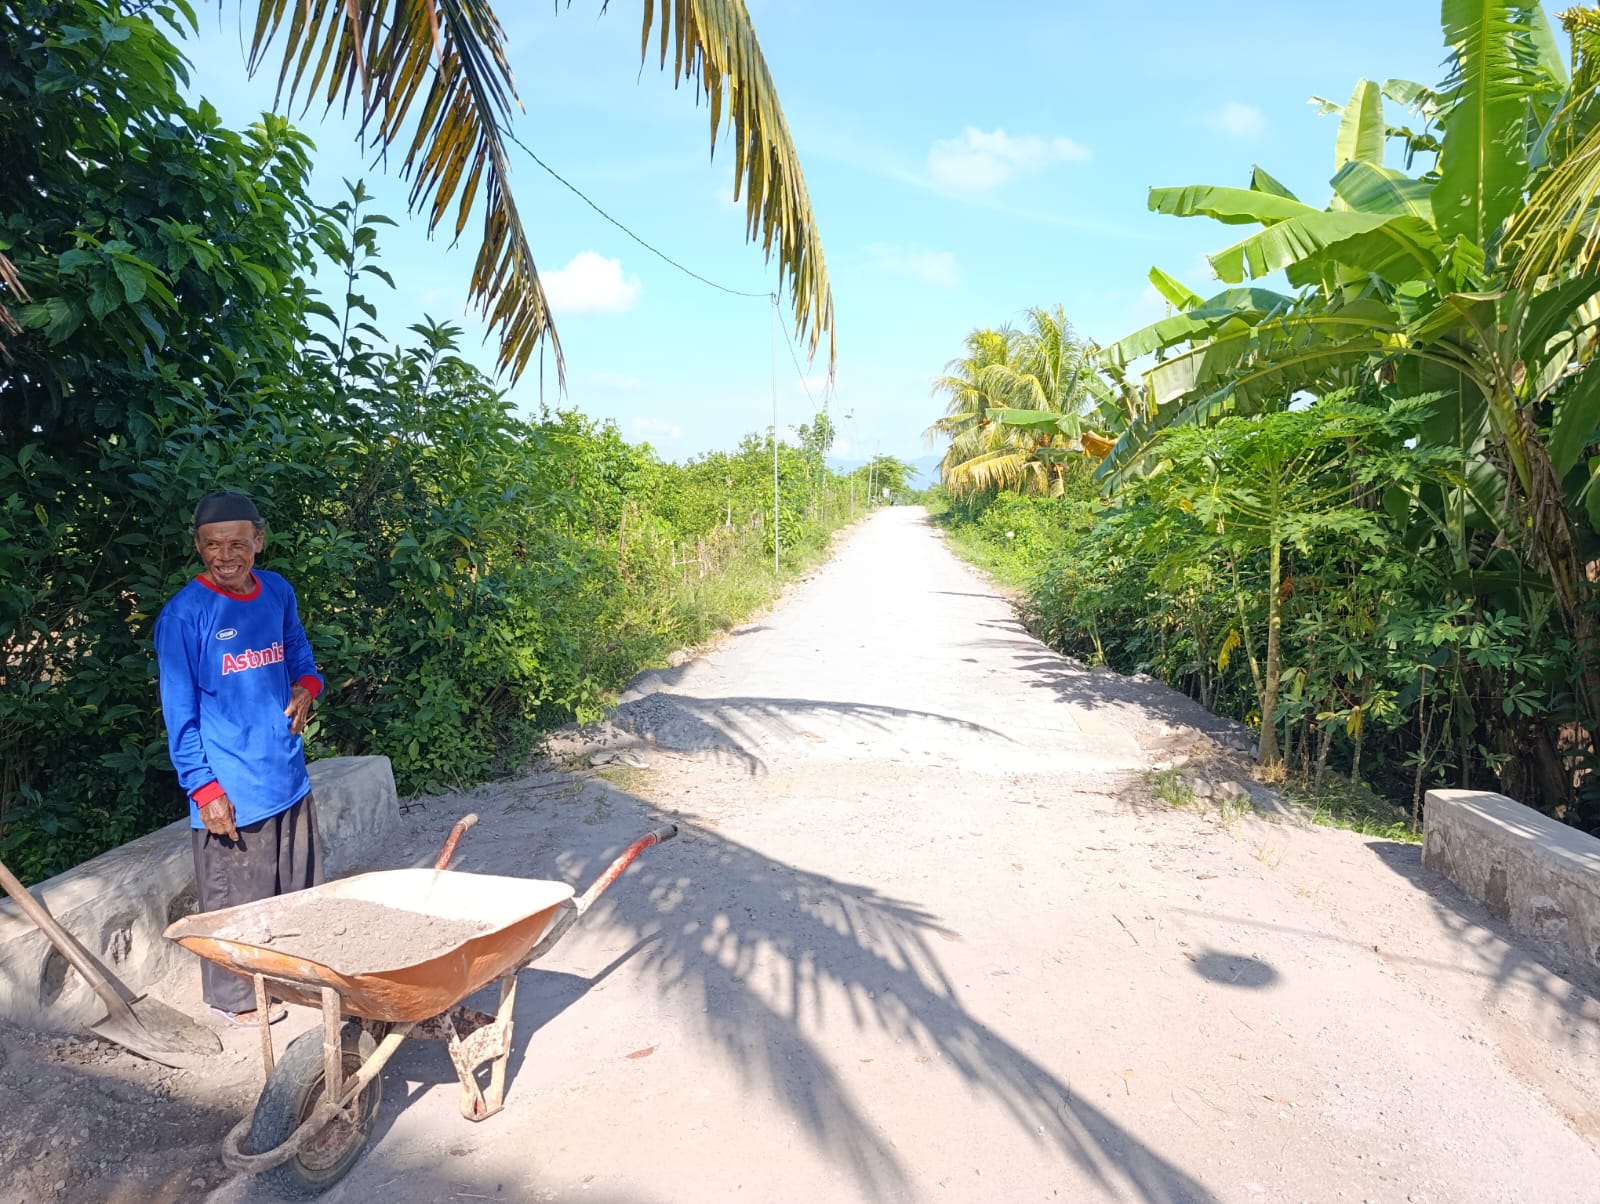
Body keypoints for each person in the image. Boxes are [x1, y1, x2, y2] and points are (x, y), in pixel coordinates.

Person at [153, 491, 325, 1027]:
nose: (225, 556)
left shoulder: (276, 591)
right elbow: (177, 713)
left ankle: (290, 976)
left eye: (237, 543)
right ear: (197, 546)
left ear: (259, 540)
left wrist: (307, 686)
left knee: (294, 893)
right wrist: (204, 790)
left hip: (287, 773)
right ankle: (235, 998)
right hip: (231, 788)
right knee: (237, 902)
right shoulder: (185, 615)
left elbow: (297, 649)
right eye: (211, 545)